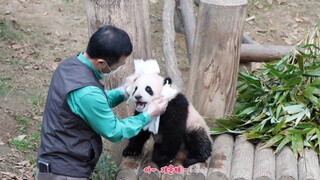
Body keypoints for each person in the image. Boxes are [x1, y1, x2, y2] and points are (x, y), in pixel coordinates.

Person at [36, 25, 168, 180]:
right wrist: (148, 114)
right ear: (101, 63)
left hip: (55, 163)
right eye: (119, 65)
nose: (120, 67)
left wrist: (124, 91)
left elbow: (95, 102)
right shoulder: (87, 93)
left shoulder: (69, 65)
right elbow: (114, 131)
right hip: (64, 172)